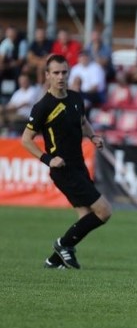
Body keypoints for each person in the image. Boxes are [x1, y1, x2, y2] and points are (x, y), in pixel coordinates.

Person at [21, 54, 112, 269]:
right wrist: (48, 159)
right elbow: (26, 140)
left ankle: (53, 261)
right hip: (63, 170)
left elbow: (83, 121)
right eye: (56, 73)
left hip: (78, 166)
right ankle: (62, 245)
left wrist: (92, 136)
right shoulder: (43, 106)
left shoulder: (75, 98)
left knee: (85, 217)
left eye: (64, 72)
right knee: (105, 211)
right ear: (47, 76)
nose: (61, 77)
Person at [69, 50, 107, 114]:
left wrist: (82, 94)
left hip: (95, 94)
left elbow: (95, 87)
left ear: (89, 57)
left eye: (85, 56)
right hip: (79, 94)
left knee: (83, 102)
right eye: (81, 57)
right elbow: (71, 85)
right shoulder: (75, 68)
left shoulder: (96, 68)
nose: (83, 58)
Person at [0, 25, 29, 92]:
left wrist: (8, 65)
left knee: (17, 70)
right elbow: (1, 56)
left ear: (16, 33)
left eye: (12, 33)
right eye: (9, 33)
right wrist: (2, 65)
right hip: (7, 65)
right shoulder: (6, 42)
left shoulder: (22, 42)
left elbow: (21, 60)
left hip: (19, 65)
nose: (10, 35)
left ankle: (17, 91)